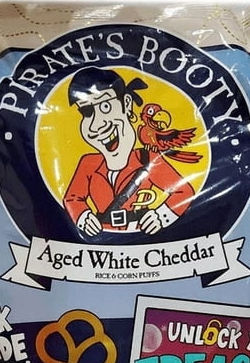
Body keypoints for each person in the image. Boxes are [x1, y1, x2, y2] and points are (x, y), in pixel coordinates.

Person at [63, 67, 195, 236]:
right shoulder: (88, 163)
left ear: (126, 104)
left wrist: (161, 216)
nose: (97, 124)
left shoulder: (148, 158)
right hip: (100, 238)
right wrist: (83, 216)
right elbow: (72, 197)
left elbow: (184, 191)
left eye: (105, 106)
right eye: (86, 112)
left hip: (144, 236)